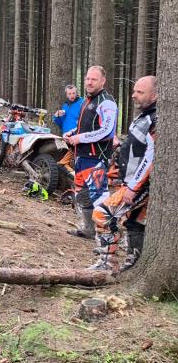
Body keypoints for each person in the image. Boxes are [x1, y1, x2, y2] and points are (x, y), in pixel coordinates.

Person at [89, 76, 157, 272]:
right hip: (132, 181)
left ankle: (107, 263)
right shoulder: (144, 115)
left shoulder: (156, 119)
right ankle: (133, 265)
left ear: (155, 95)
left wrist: (133, 187)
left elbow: (151, 157)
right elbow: (138, 146)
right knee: (134, 222)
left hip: (141, 184)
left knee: (101, 213)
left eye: (140, 92)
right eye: (134, 91)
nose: (133, 95)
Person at [64, 66, 118, 240]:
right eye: (87, 78)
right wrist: (72, 133)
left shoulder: (107, 102)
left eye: (94, 79)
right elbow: (85, 125)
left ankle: (108, 238)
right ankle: (89, 229)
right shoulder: (87, 100)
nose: (89, 82)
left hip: (96, 158)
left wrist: (80, 138)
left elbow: (107, 131)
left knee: (99, 197)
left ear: (103, 81)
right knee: (83, 195)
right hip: (82, 156)